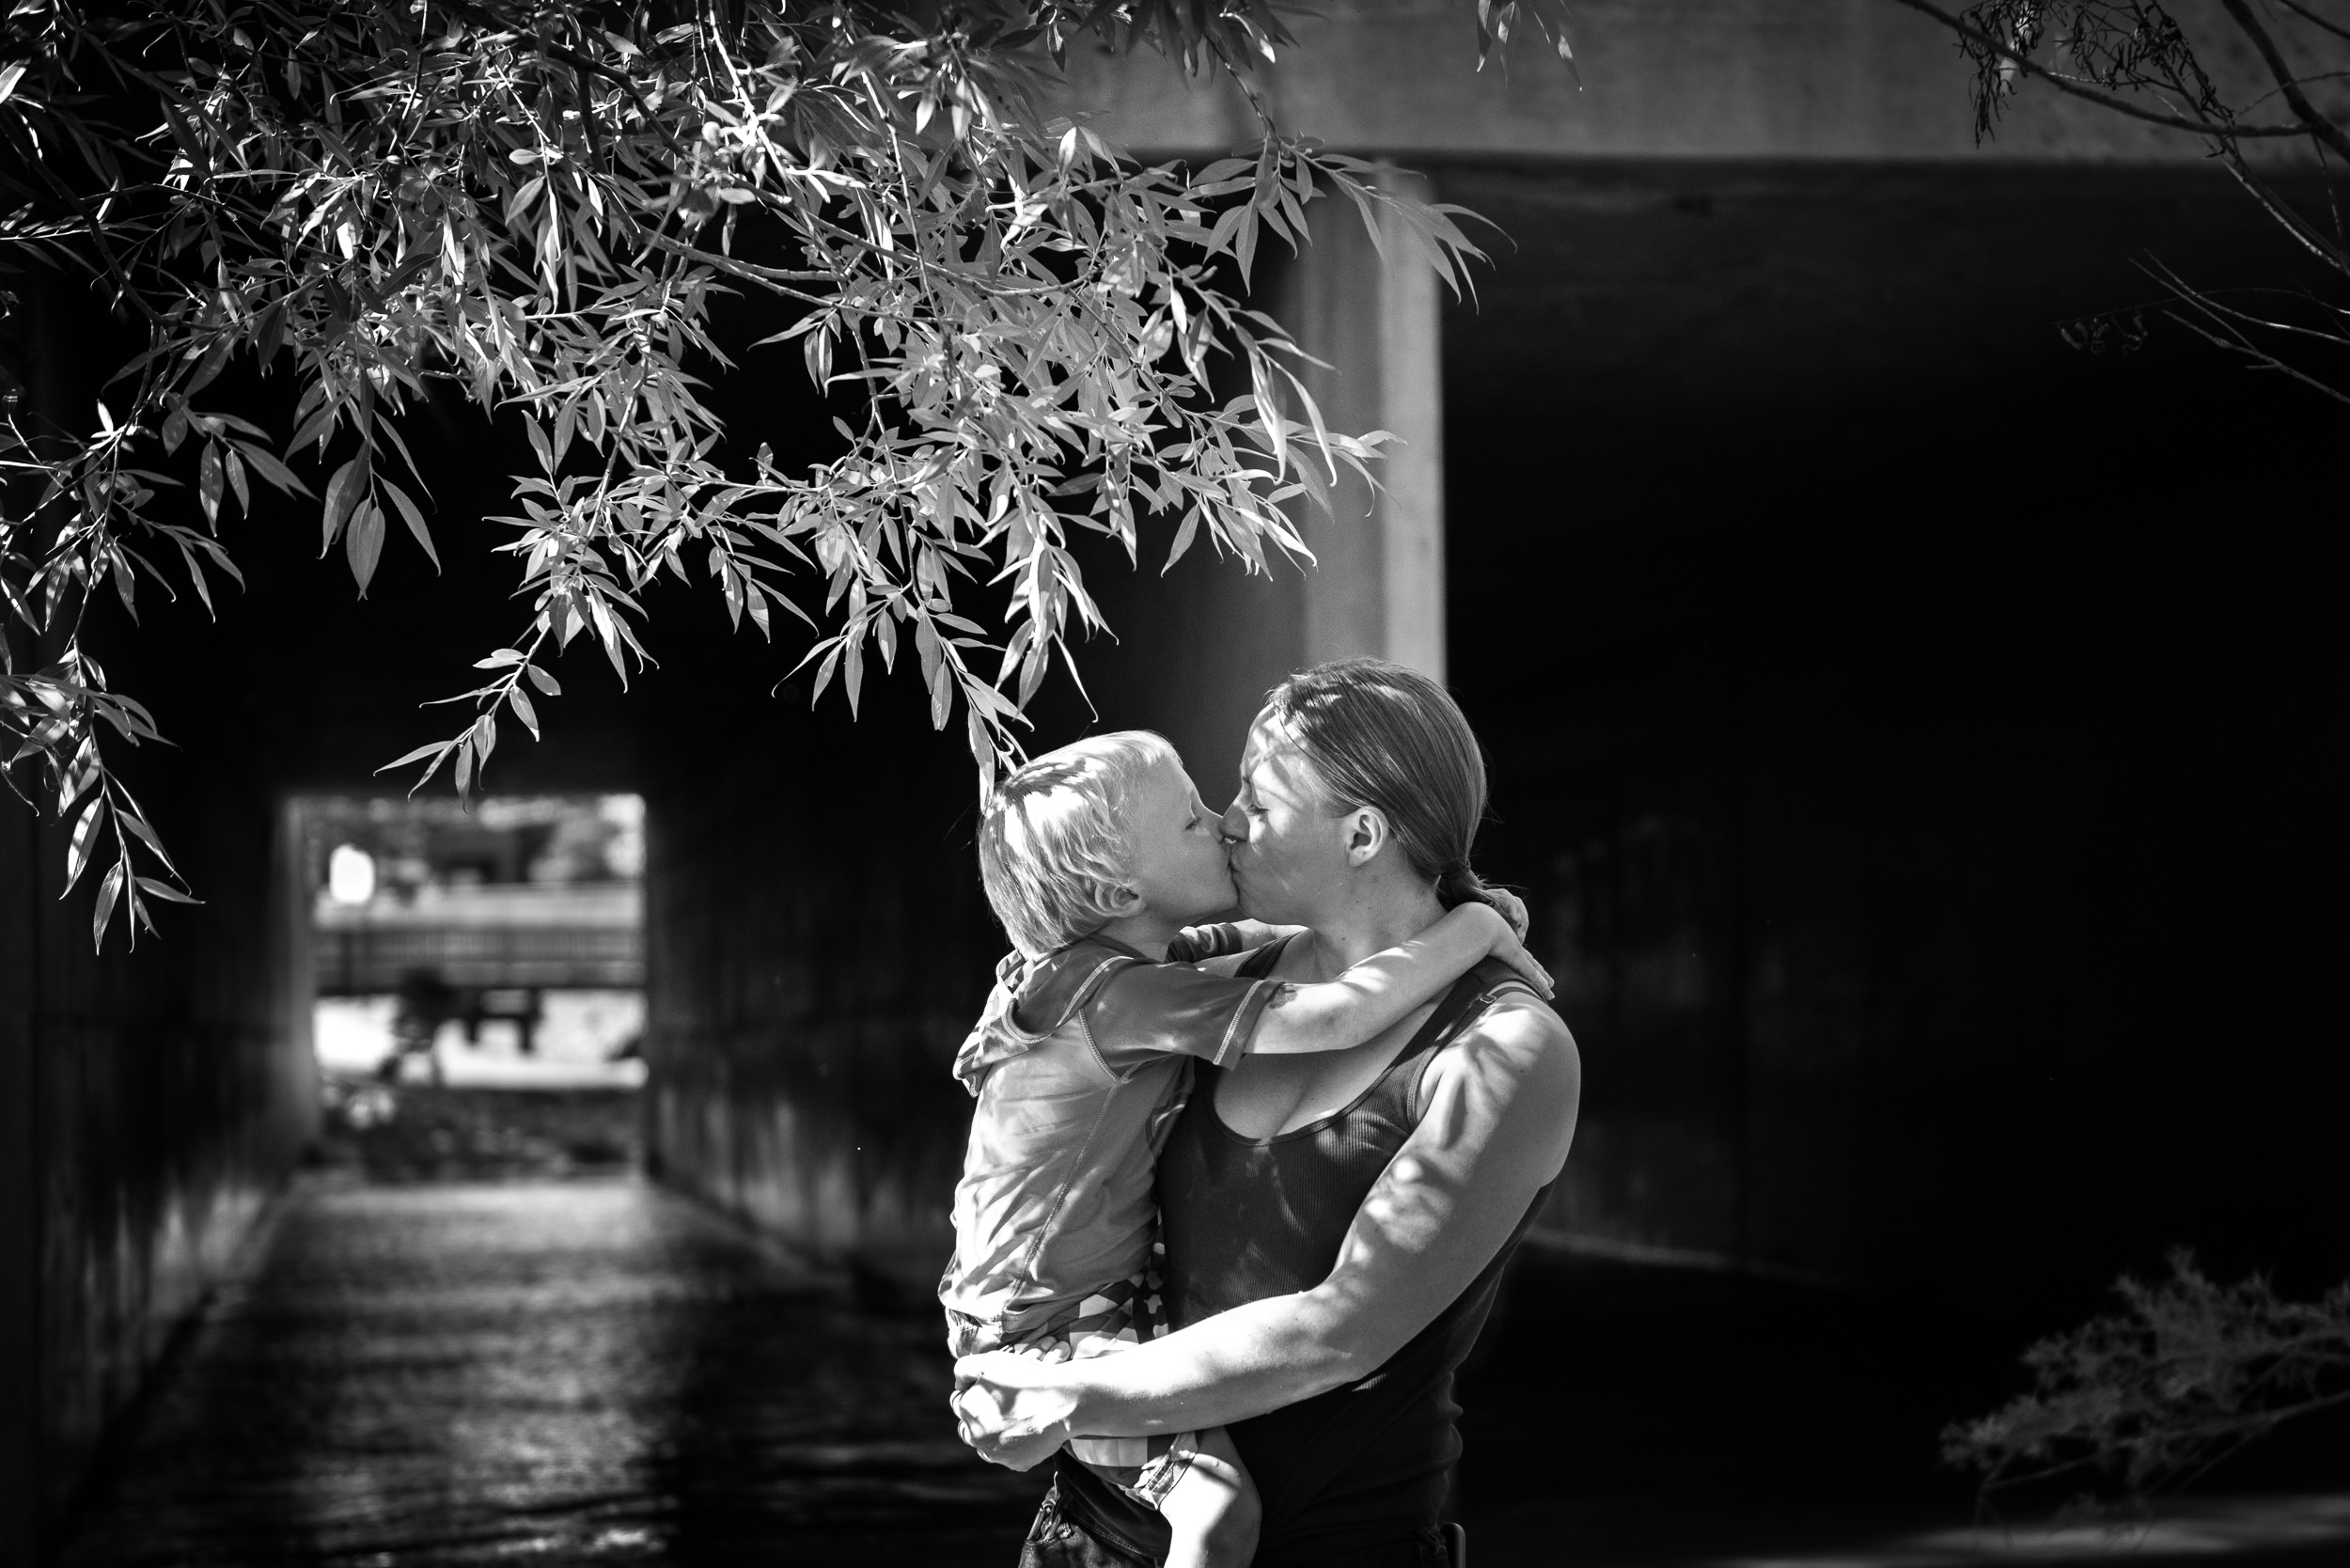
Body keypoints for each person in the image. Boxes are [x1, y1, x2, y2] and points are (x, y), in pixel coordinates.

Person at [952, 660, 1582, 1568]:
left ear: (1363, 833)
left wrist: (1063, 1399)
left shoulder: (1501, 1049)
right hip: (1099, 1533)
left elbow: (1339, 1333)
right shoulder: (1215, 983)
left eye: (1258, 800)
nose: (1228, 822)